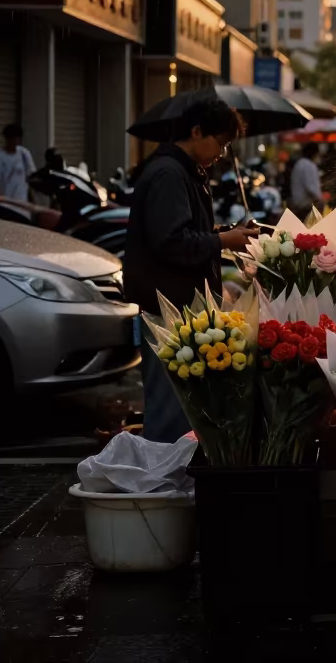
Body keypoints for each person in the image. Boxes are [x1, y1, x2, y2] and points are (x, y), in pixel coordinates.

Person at [124, 98, 259, 443]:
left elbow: (186, 233)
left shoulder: (185, 171)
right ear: (197, 131)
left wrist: (225, 235)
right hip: (167, 306)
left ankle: (172, 479)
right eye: (221, 142)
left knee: (183, 406)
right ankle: (159, 485)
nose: (223, 152)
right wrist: (223, 240)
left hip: (182, 307)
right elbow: (171, 242)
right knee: (170, 408)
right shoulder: (169, 173)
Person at [0, 124, 36, 201]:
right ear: (6, 139)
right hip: (6, 203)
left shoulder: (24, 153)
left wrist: (33, 199)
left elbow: (30, 177)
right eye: (12, 138)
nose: (15, 141)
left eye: (17, 138)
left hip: (23, 203)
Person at [290, 142, 323, 217]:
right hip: (306, 207)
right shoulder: (309, 165)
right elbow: (310, 187)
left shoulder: (299, 163)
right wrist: (319, 199)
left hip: (298, 205)